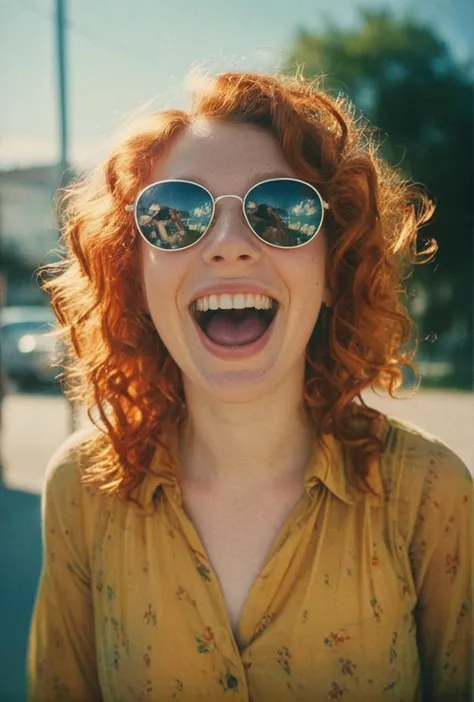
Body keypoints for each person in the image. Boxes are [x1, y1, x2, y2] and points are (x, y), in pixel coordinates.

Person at [28, 71, 472, 701]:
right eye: (176, 214)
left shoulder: (431, 492)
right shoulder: (80, 491)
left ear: (330, 268)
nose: (229, 246)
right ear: (137, 275)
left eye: (282, 211)